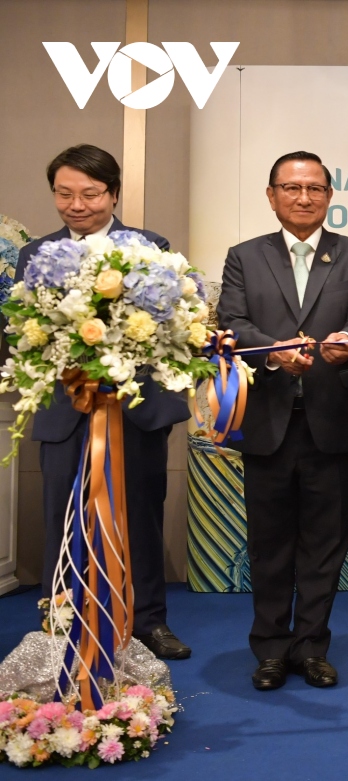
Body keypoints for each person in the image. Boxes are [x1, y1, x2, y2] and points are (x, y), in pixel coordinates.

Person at [15, 144, 192, 660]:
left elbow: (169, 327)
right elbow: (23, 332)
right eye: (64, 194)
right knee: (62, 518)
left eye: (90, 194)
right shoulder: (35, 255)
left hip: (134, 411)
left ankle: (148, 622)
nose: (77, 205)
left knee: (139, 517)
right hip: (65, 413)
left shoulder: (150, 247)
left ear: (113, 194)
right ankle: (60, 621)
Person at [216, 151, 348, 690]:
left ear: (329, 195)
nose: (304, 197)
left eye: (315, 188)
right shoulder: (245, 256)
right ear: (272, 196)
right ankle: (270, 649)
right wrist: (273, 351)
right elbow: (232, 320)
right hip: (267, 419)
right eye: (291, 188)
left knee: (324, 543)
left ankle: (312, 647)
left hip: (332, 419)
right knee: (268, 544)